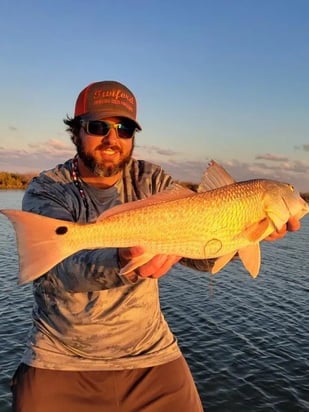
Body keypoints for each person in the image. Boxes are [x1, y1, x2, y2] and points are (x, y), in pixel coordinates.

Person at [10, 80, 300, 412]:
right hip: (59, 357)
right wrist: (123, 260)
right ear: (76, 131)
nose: (112, 138)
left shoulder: (153, 181)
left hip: (151, 354)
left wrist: (247, 234)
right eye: (97, 126)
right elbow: (60, 273)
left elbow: (200, 256)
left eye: (124, 128)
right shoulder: (48, 189)